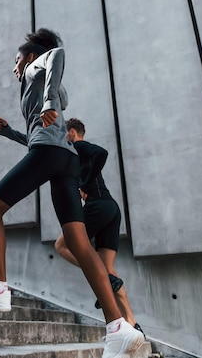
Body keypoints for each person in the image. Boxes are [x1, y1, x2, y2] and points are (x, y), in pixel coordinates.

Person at [0, 29, 145, 358]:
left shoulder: (37, 66)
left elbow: (57, 55)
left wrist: (47, 99)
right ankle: (117, 327)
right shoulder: (45, 85)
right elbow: (40, 133)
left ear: (30, 56)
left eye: (16, 59)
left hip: (49, 154)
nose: (14, 65)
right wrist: (10, 132)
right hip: (65, 161)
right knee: (78, 243)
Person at [54, 118, 144, 337]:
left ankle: (102, 277)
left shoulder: (77, 145)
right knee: (109, 269)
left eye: (65, 135)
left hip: (98, 205)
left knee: (62, 245)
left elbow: (101, 153)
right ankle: (132, 323)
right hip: (111, 208)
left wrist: (83, 184)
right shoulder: (78, 155)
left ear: (72, 132)